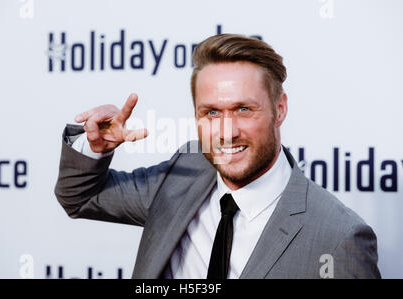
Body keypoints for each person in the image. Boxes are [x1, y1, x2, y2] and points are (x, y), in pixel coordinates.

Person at [54, 34, 381, 279]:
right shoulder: (184, 172)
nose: (226, 131)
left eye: (243, 109)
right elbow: (81, 197)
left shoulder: (338, 236)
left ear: (279, 109)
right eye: (211, 112)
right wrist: (95, 148)